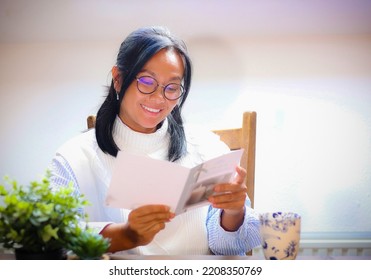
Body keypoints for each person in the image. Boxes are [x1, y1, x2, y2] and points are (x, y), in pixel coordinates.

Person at [50, 26, 261, 255]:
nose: (159, 98)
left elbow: (233, 246)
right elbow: (54, 240)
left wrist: (233, 213)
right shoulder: (73, 159)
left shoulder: (209, 148)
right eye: (147, 82)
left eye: (171, 87)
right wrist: (125, 235)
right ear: (119, 79)